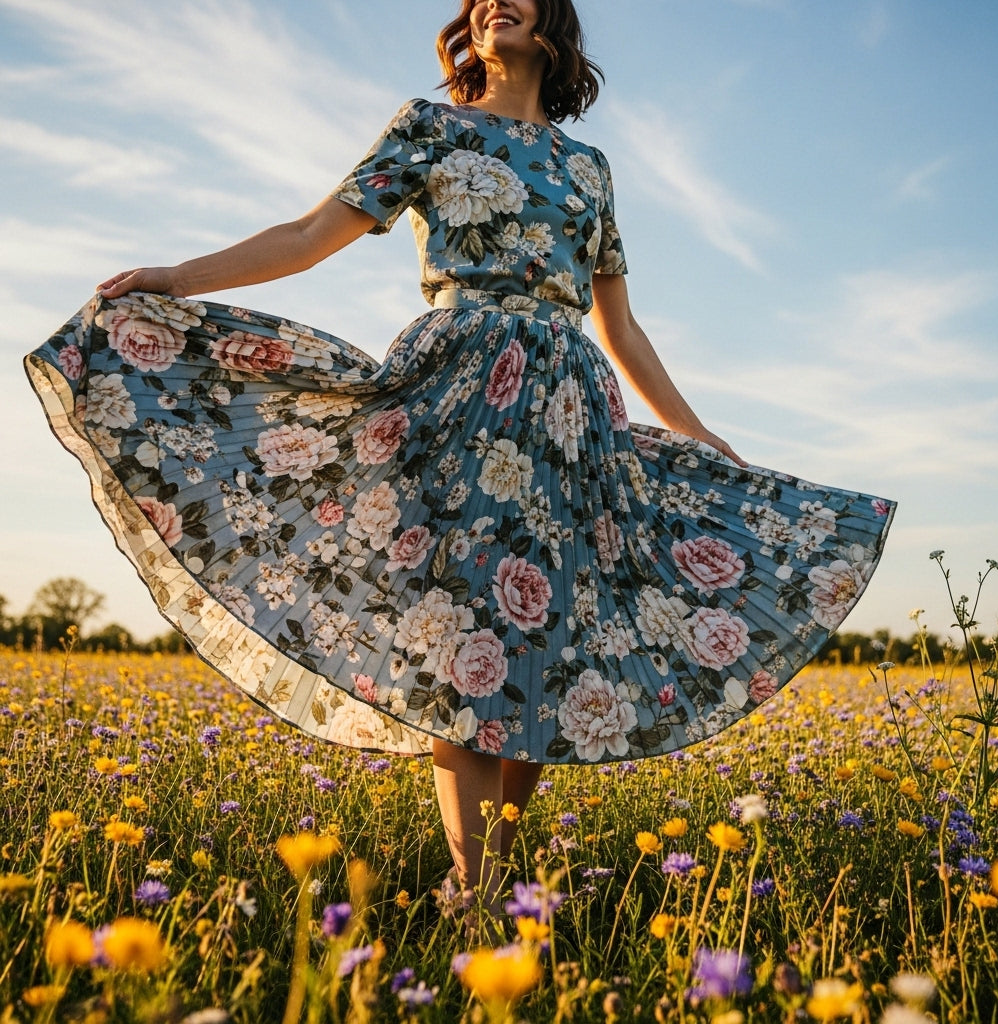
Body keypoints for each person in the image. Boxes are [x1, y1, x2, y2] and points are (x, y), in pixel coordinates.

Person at [25, 0, 894, 926]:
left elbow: (621, 326)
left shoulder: (587, 169)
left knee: (549, 649)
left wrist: (692, 426)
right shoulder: (429, 128)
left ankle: (486, 881)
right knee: (469, 642)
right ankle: (476, 902)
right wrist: (173, 277)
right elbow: (307, 236)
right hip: (456, 391)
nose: (489, 1)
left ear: (553, 23)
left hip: (567, 411)